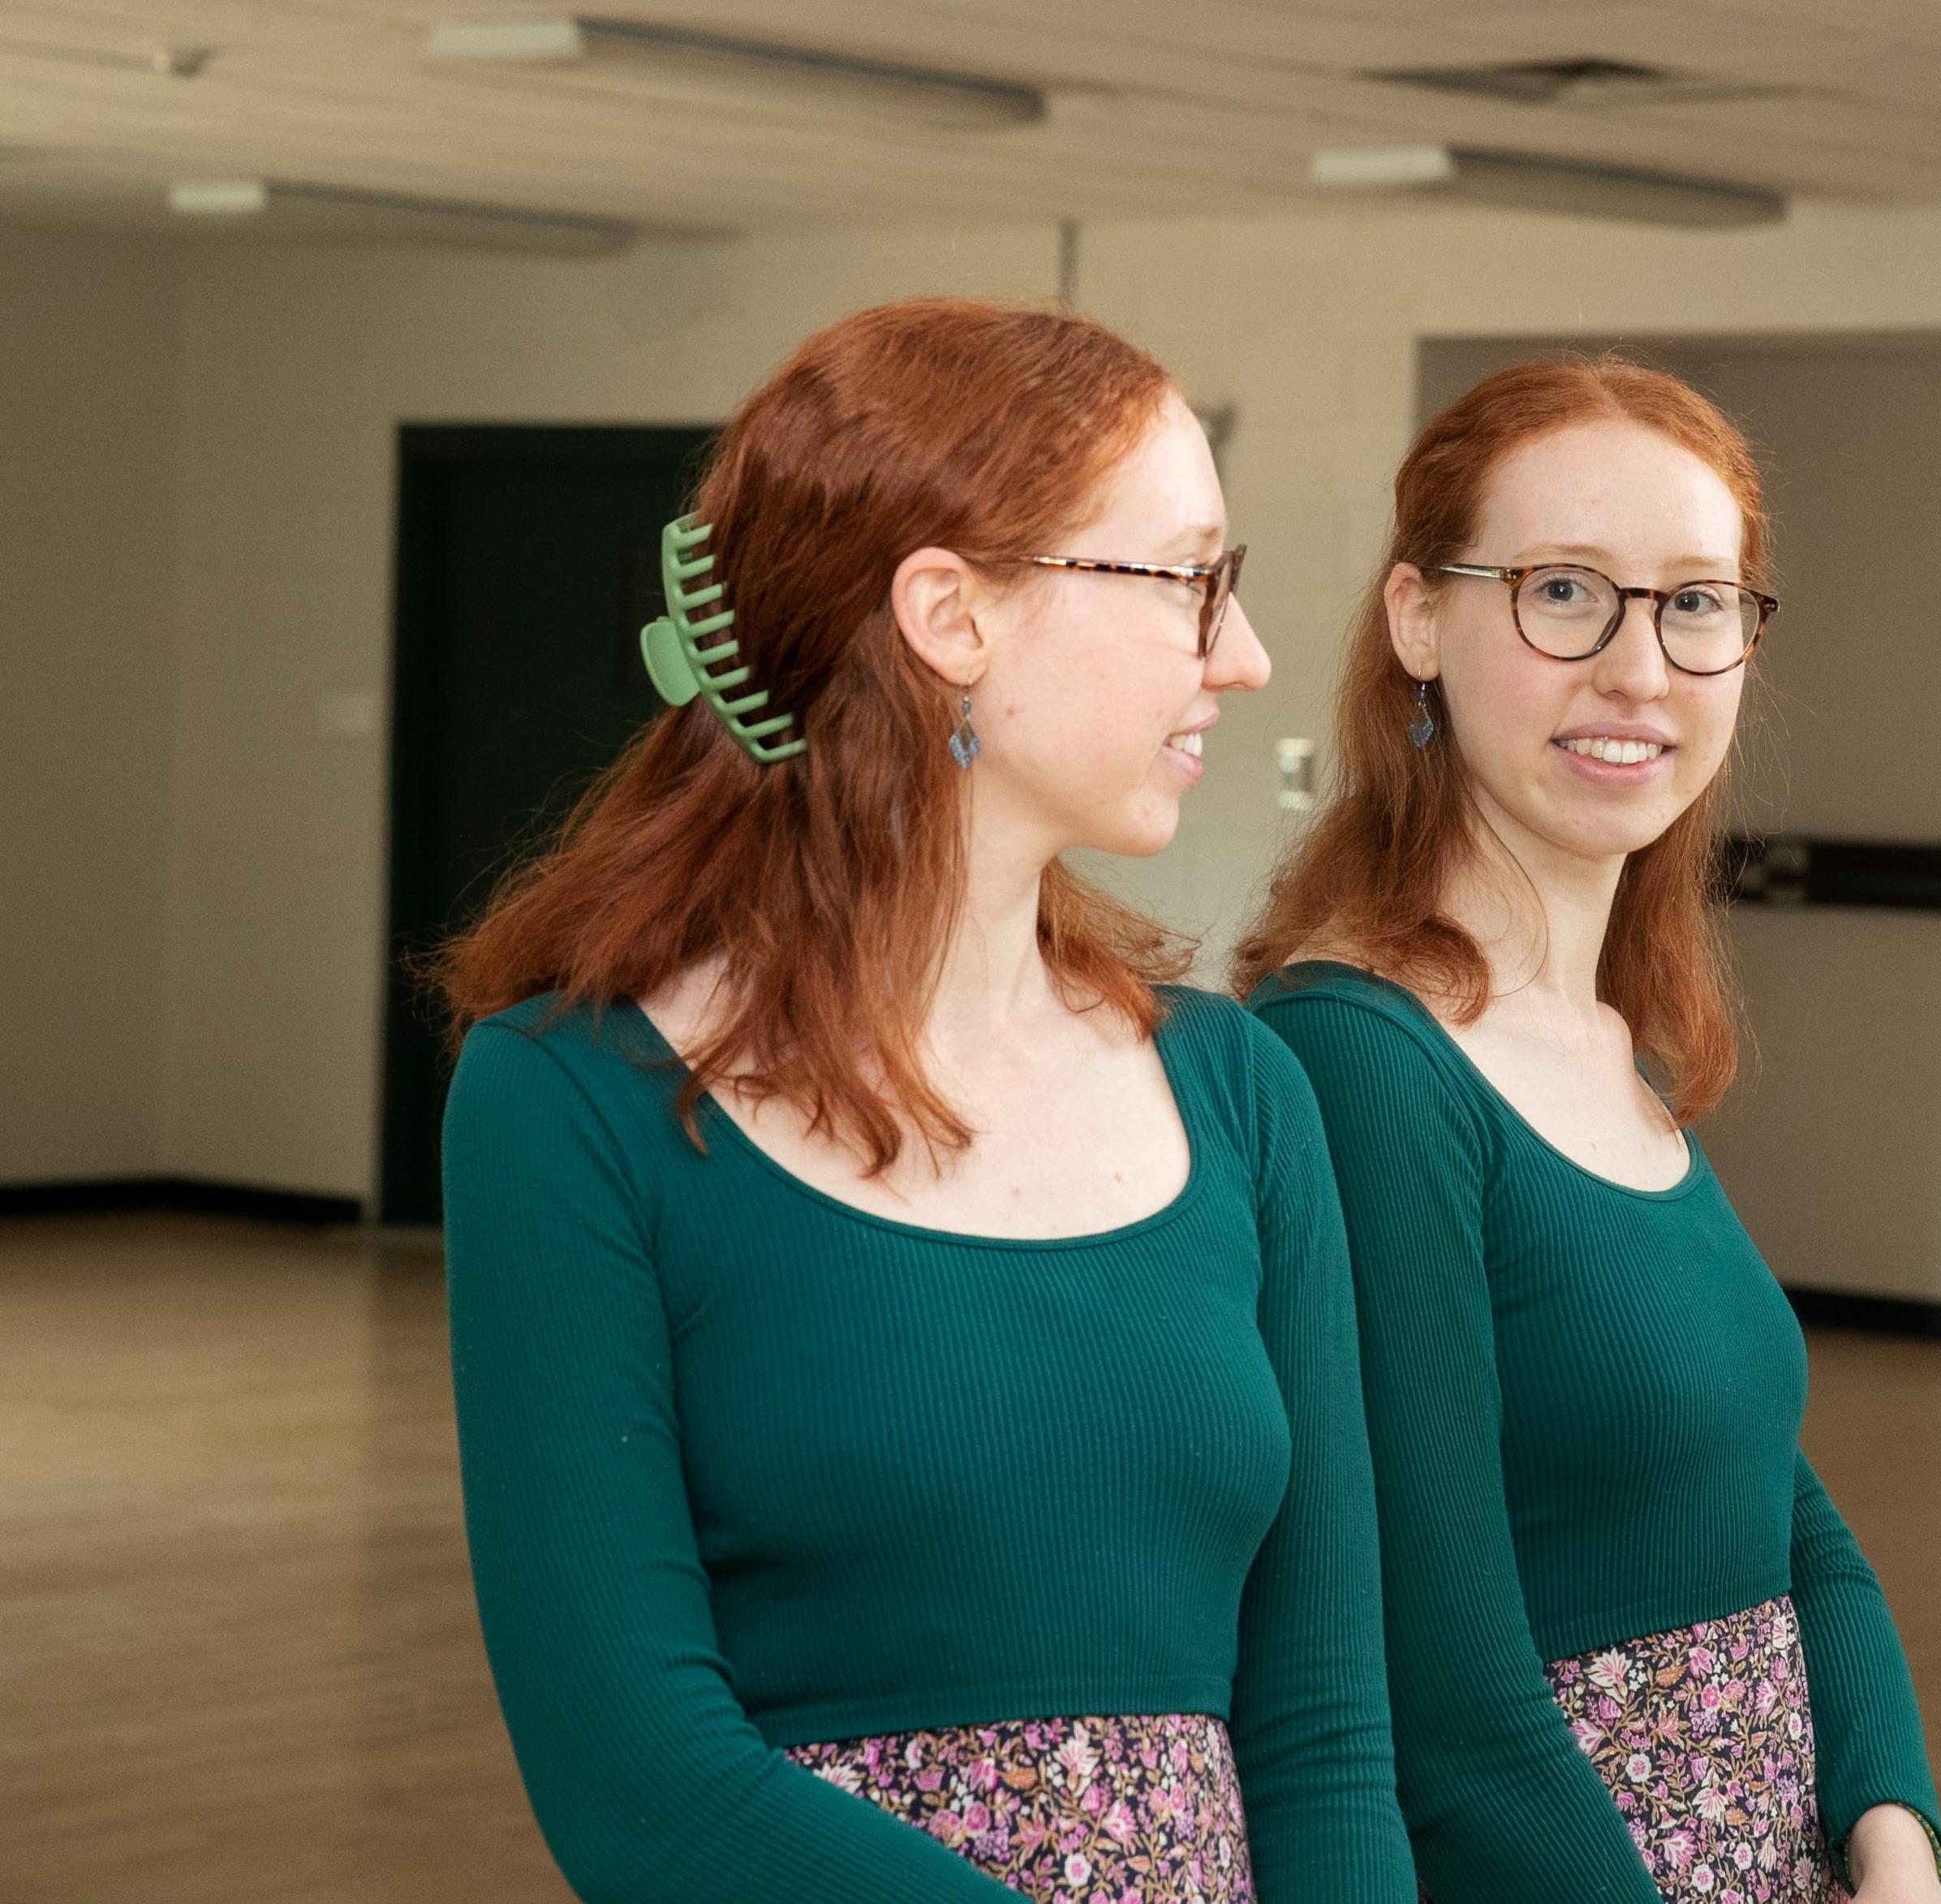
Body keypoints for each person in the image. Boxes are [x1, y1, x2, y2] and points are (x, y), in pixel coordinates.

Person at [435, 296, 1412, 1904]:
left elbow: (1320, 1734)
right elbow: (641, 1782)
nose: (1238, 656)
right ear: (951, 615)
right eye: (1189, 580)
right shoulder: (567, 1102)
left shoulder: (1241, 1088)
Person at [1237, 355, 1941, 1904]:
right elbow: (1443, 1694)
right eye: (1566, 591)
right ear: (1419, 618)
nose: (1640, 666)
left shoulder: (1616, 1043)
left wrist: (1892, 1829)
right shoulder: (1361, 1061)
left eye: (1697, 602)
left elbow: (1778, 1504)